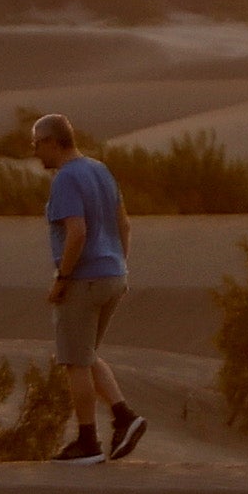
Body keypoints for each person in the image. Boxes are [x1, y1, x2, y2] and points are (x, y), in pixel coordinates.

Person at [29, 113, 146, 462]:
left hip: (84, 279)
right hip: (112, 274)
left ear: (53, 141)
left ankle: (88, 442)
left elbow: (76, 232)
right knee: (87, 354)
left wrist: (62, 279)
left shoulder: (66, 178)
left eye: (37, 144)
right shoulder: (101, 170)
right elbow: (124, 224)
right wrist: (118, 265)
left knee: (74, 363)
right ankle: (125, 417)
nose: (36, 153)